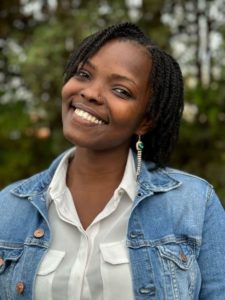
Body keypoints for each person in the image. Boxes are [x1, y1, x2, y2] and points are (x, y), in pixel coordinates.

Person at [0, 22, 224, 300]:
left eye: (121, 91)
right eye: (84, 74)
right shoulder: (8, 207)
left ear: (145, 120)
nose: (91, 93)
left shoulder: (194, 204)